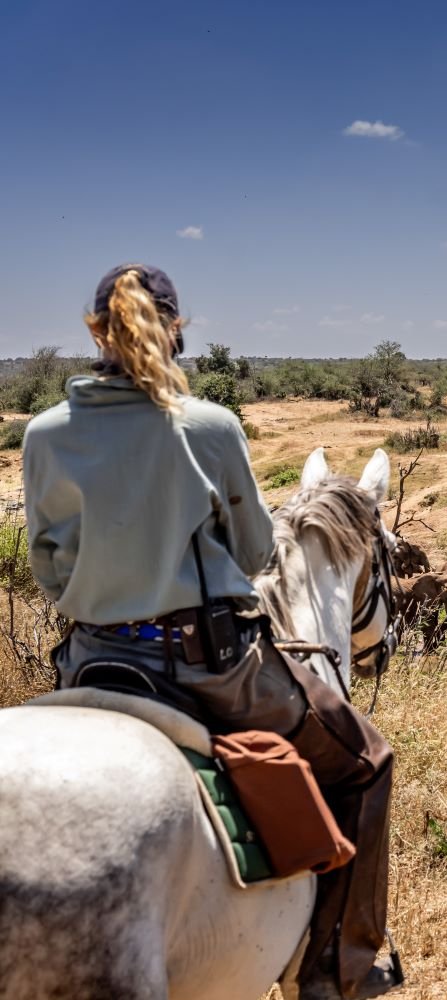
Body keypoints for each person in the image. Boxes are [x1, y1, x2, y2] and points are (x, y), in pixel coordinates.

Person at [22, 264, 402, 1000]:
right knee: (367, 762)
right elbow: (259, 553)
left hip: (91, 662)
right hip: (210, 665)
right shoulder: (208, 426)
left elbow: (47, 567)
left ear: (94, 331)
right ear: (176, 329)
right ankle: (339, 970)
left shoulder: (43, 435)